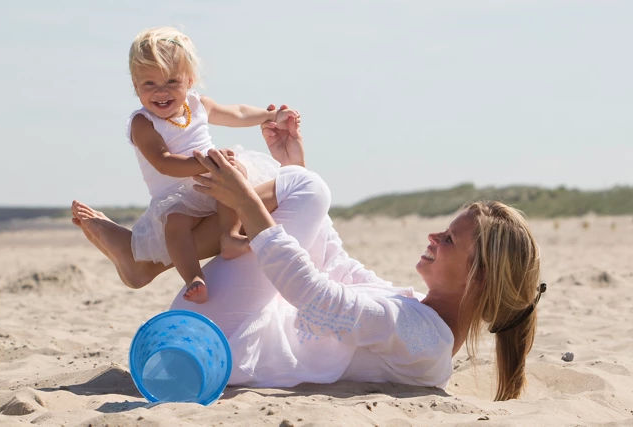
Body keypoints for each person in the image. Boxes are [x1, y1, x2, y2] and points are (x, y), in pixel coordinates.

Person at [71, 115, 544, 401]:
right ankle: (149, 256)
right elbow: (333, 263)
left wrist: (249, 202)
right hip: (223, 339)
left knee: (309, 189)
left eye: (450, 240)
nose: (433, 235)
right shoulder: (422, 323)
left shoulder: (421, 337)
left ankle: (147, 257)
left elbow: (313, 292)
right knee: (306, 187)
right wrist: (293, 166)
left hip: (221, 344)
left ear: (477, 279)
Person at [123, 26, 298, 304]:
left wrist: (270, 115)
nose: (161, 92)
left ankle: (229, 237)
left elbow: (237, 113)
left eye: (171, 82)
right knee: (175, 225)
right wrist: (201, 163)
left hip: (211, 176)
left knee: (235, 173)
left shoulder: (198, 105)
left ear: (189, 80)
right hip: (176, 193)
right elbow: (163, 162)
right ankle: (193, 277)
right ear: (135, 85)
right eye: (149, 84)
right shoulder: (143, 123)